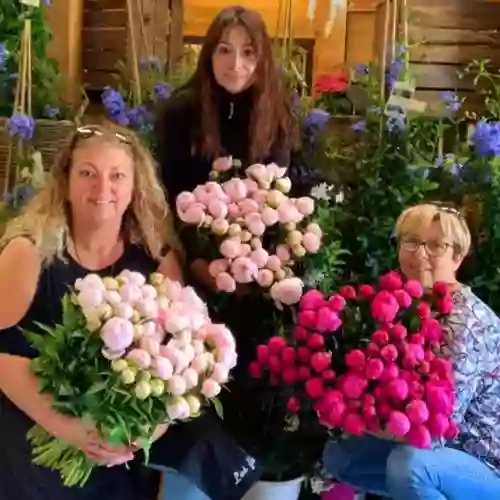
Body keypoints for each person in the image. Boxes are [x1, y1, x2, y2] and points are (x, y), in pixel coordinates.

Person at [0, 123, 182, 500]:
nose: (103, 190)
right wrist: (68, 427)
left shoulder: (157, 262)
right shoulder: (30, 252)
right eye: (87, 174)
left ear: (135, 187)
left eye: (117, 175)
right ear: (65, 181)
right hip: (32, 466)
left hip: (120, 472)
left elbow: (183, 365)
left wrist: (142, 432)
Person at [322, 202, 500, 499]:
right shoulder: (408, 306)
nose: (420, 254)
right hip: (436, 451)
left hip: (484, 462)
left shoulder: (467, 322)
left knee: (410, 465)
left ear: (458, 257)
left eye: (435, 245)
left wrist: (348, 414)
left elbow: (436, 430)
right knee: (341, 456)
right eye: (411, 241)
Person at [155, 4, 306, 289]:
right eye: (225, 50)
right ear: (209, 54)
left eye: (248, 52)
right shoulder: (181, 112)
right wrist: (195, 260)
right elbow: (166, 195)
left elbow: (286, 192)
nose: (236, 64)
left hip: (262, 268)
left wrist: (270, 259)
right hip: (190, 262)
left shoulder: (278, 112)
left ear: (262, 58)